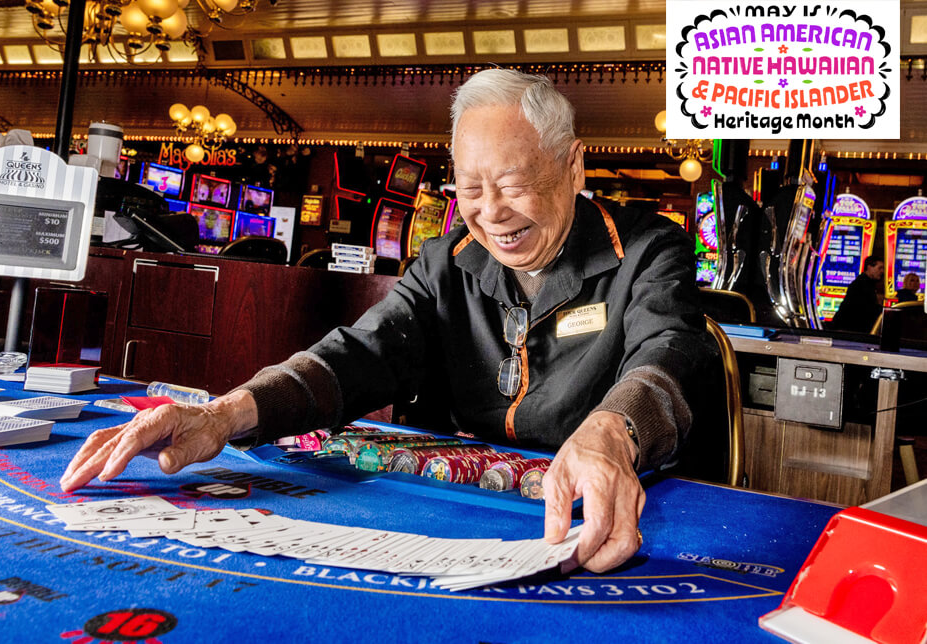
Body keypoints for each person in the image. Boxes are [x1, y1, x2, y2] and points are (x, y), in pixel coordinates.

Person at [61, 69, 716, 574]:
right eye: (469, 189)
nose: (490, 214)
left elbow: (667, 351)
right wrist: (223, 414)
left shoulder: (649, 248)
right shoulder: (445, 259)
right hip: (461, 516)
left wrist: (610, 431)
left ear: (572, 166)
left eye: (513, 184)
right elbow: (360, 353)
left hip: (607, 507)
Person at [829, 256, 885, 332]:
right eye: (880, 268)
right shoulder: (862, 284)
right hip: (847, 328)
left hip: (847, 327)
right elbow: (867, 308)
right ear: (869, 267)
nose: (882, 271)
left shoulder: (865, 282)